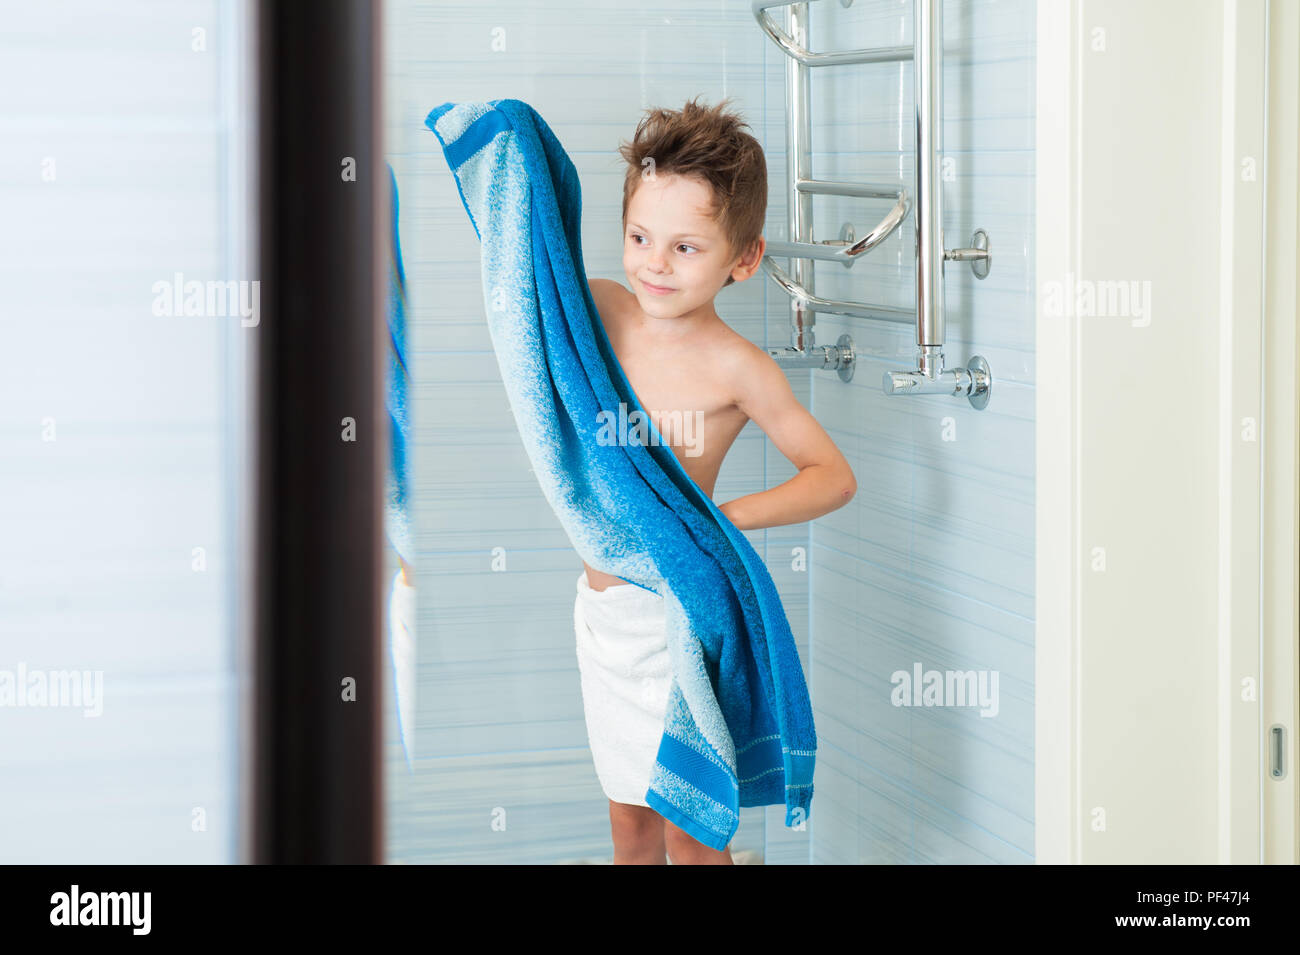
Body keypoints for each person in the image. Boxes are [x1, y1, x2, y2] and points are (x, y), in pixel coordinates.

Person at [572, 96, 857, 865]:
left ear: (744, 257)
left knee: (688, 827)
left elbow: (832, 476)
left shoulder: (738, 367)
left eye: (685, 247)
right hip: (606, 619)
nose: (654, 263)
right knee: (628, 820)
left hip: (679, 618)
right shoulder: (601, 310)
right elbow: (527, 284)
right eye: (639, 236)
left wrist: (721, 518)